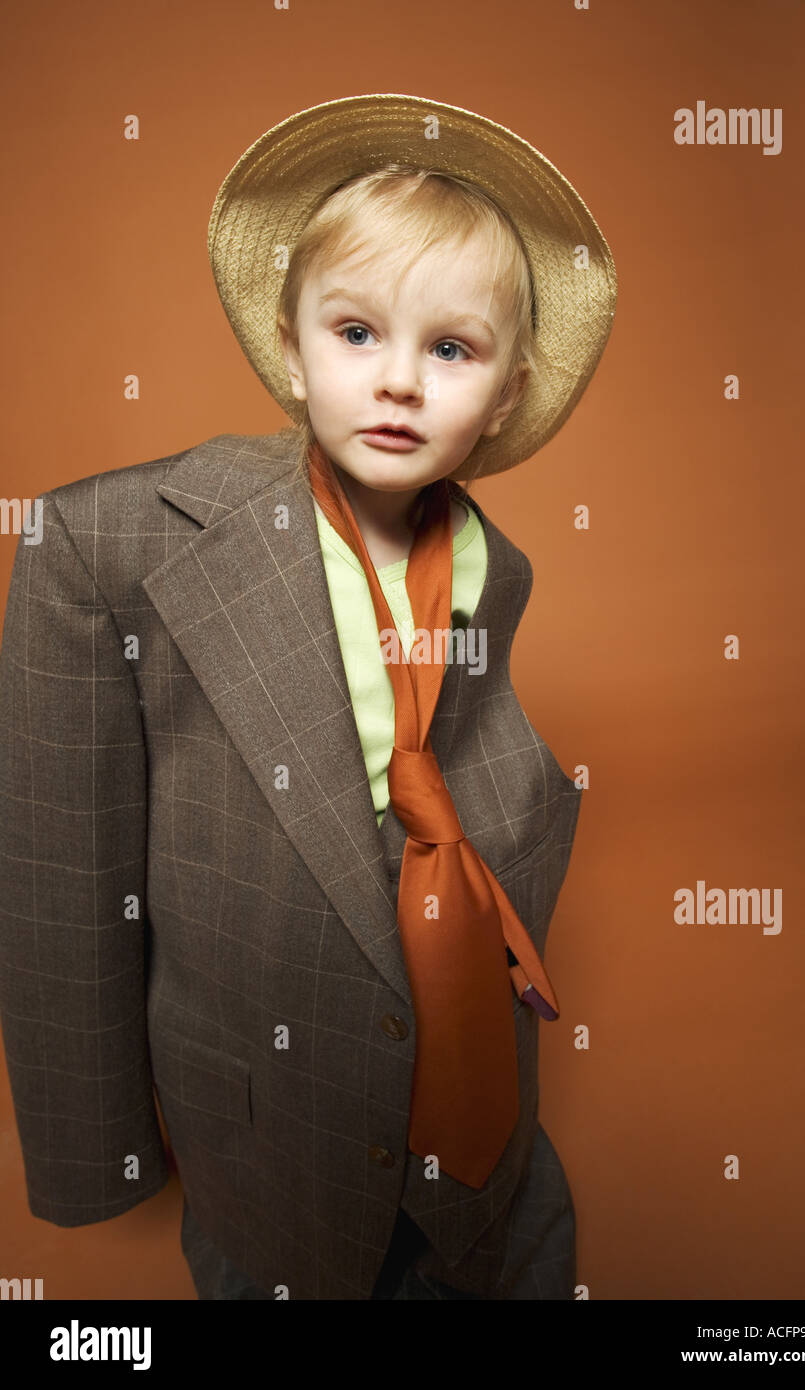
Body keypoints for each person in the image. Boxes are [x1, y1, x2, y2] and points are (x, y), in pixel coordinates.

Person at [0, 93, 617, 1300]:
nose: (397, 382)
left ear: (499, 396)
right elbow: (62, 879)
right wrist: (98, 1151)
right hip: (274, 1149)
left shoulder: (497, 567)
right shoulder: (110, 544)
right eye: (355, 333)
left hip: (484, 1138)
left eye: (448, 349)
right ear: (288, 347)